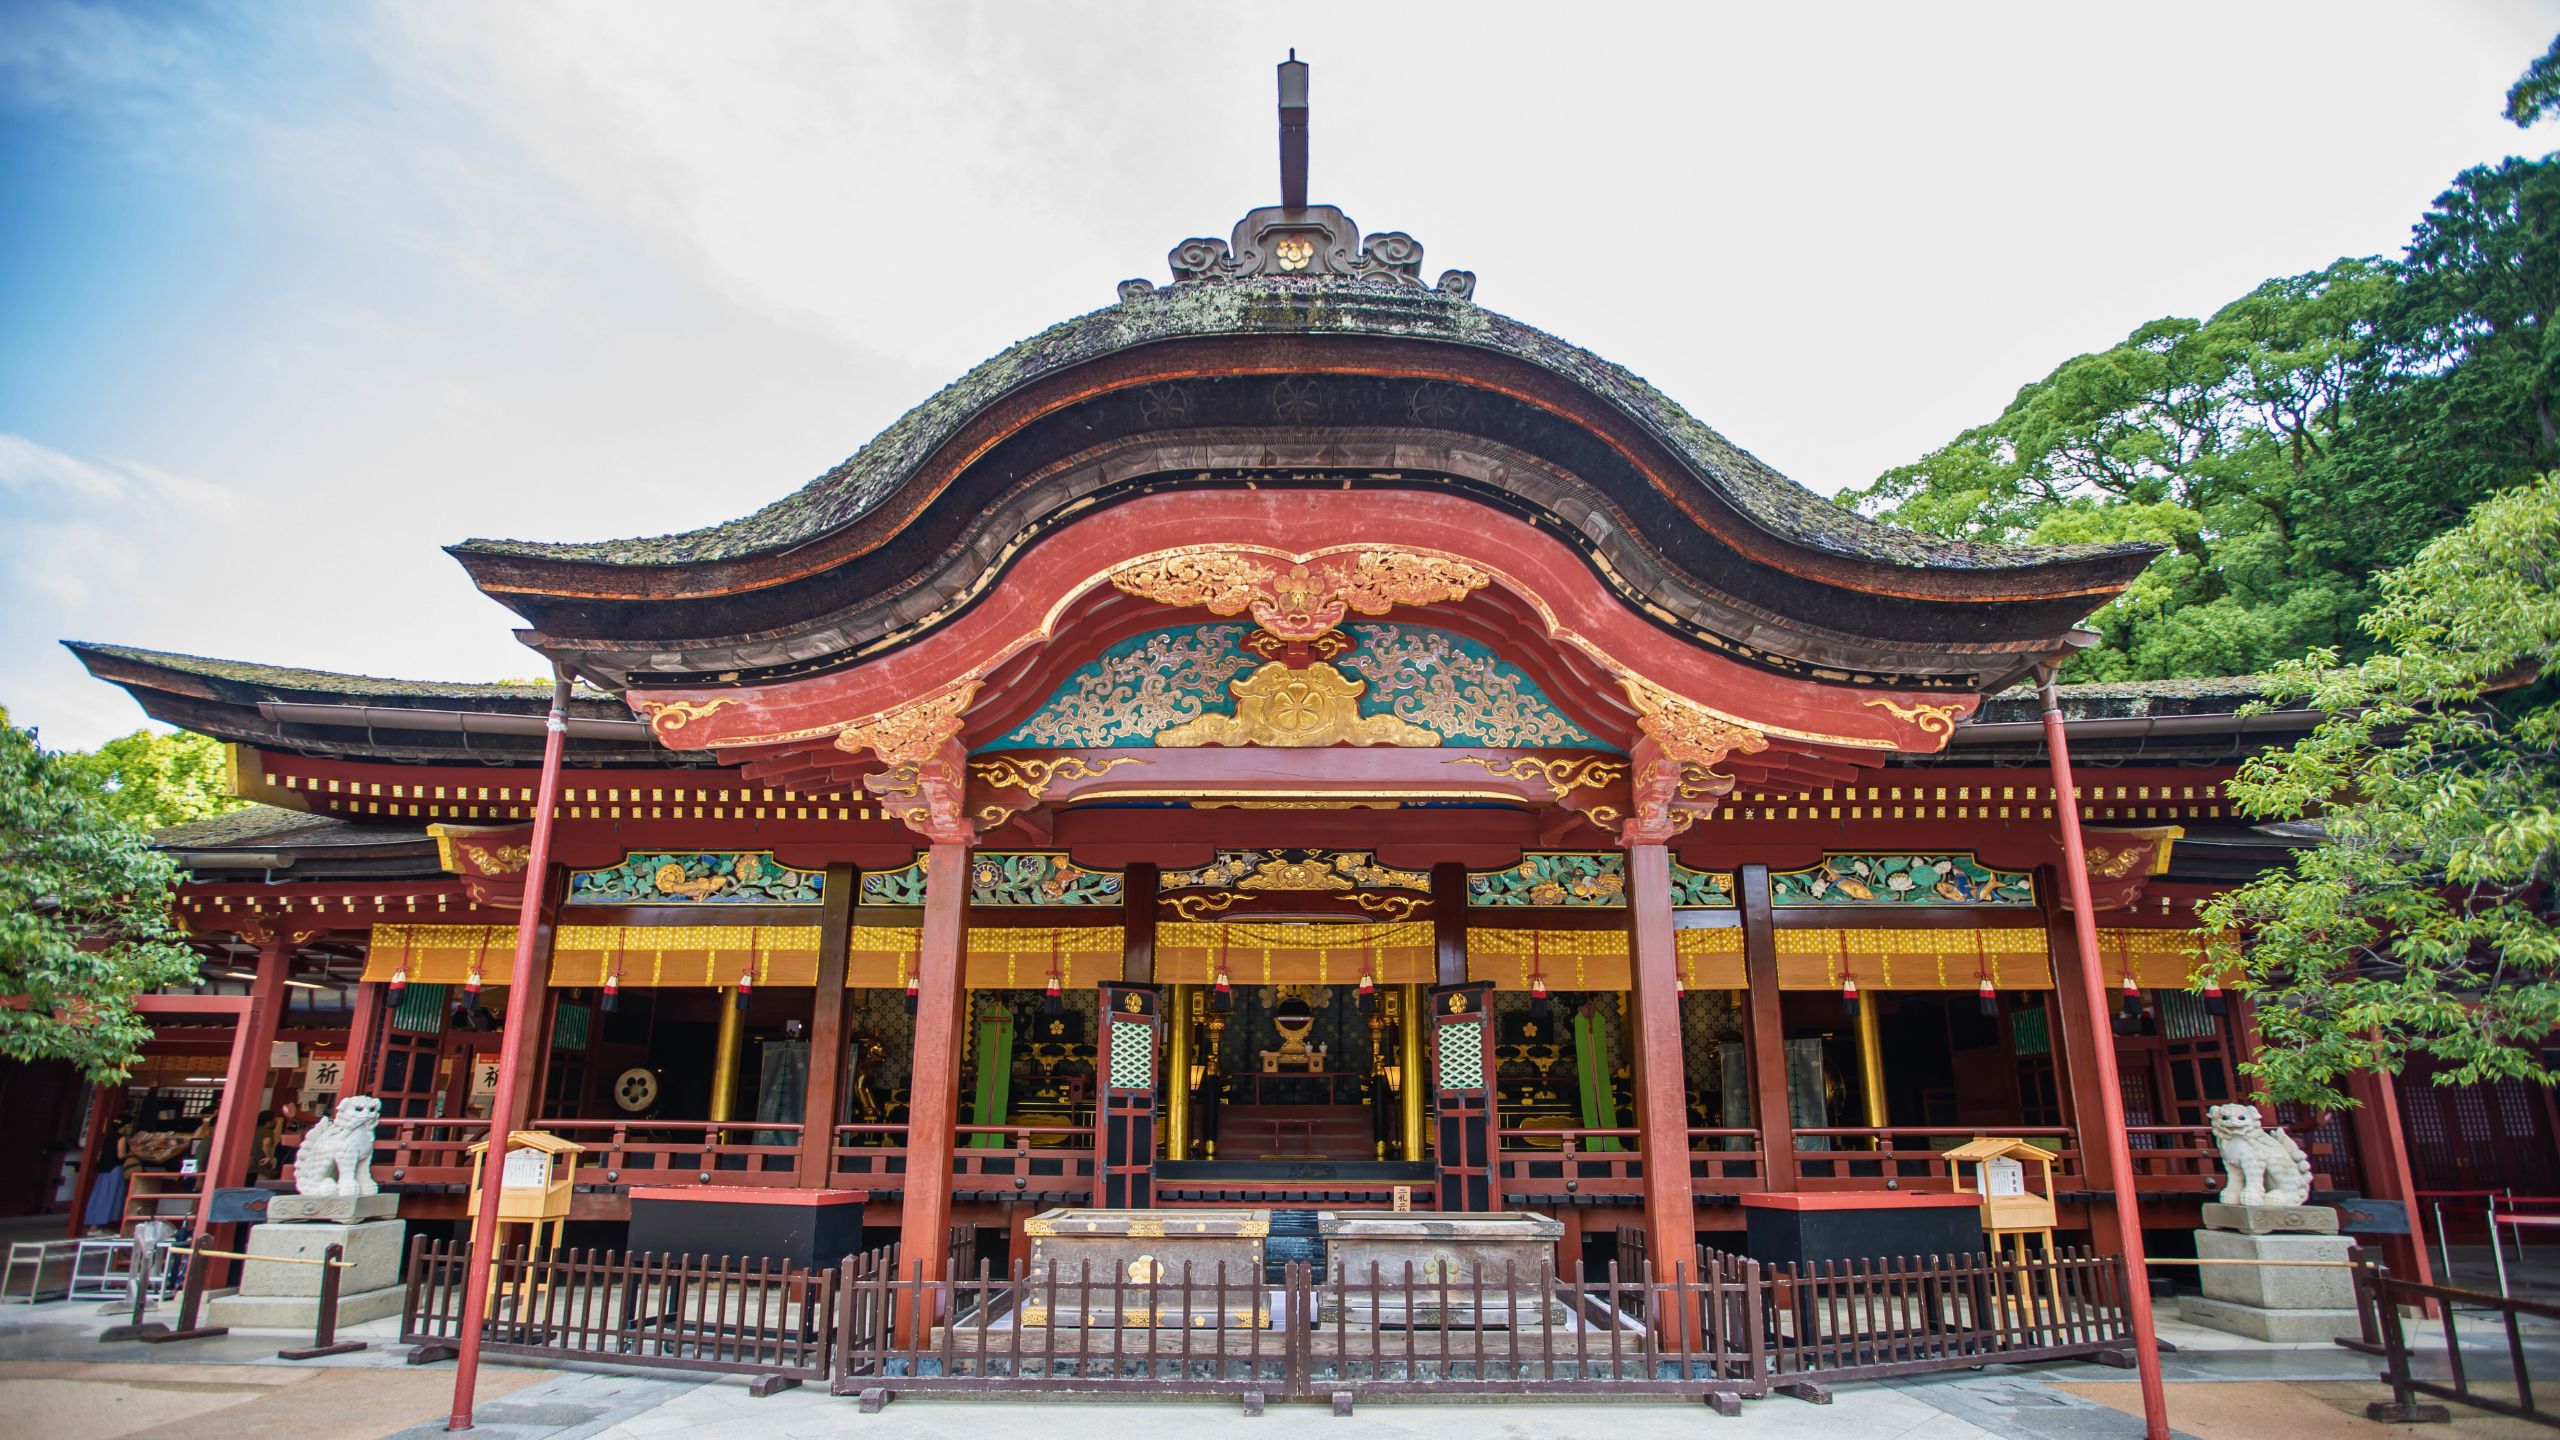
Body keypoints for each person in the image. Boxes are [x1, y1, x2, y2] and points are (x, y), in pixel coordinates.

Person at [80, 1118, 134, 1235]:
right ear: (125, 1126)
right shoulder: (121, 1138)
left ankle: (96, 1225)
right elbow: (121, 1155)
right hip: (115, 1170)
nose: (130, 1128)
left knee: (100, 1196)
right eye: (129, 1125)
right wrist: (131, 1153)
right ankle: (97, 1226)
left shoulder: (108, 1137)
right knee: (110, 1197)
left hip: (104, 1169)